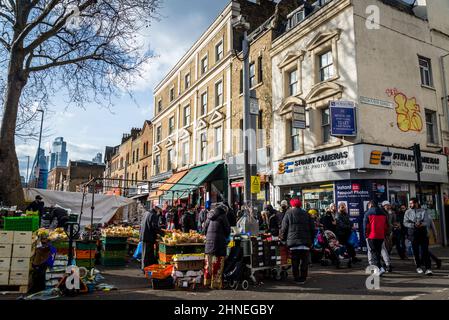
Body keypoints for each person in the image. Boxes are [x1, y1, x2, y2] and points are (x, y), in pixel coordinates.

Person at [280, 198, 315, 285]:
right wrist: (311, 240)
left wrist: (283, 239)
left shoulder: (288, 213)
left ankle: (296, 278)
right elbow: (312, 228)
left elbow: (284, 228)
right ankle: (303, 278)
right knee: (304, 261)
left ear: (292, 205)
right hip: (305, 243)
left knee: (295, 261)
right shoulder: (306, 214)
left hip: (293, 243)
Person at [203, 203, 231, 289]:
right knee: (218, 265)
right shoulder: (223, 216)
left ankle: (206, 282)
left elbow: (204, 229)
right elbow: (227, 230)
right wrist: (226, 237)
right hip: (219, 243)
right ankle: (216, 284)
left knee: (209, 264)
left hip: (208, 243)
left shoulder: (209, 215)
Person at [404, 198, 432, 275]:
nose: (410, 205)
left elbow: (427, 222)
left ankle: (428, 268)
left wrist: (421, 224)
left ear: (416, 203)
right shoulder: (407, 212)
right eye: (410, 203)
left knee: (425, 251)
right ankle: (418, 267)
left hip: (422, 233)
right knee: (415, 251)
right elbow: (405, 223)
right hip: (413, 233)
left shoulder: (423, 211)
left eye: (412, 203)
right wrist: (413, 225)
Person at [364, 200, 389, 276]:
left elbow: (366, 226)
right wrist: (384, 234)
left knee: (373, 252)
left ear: (370, 205)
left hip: (371, 236)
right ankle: (380, 268)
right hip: (381, 236)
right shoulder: (383, 213)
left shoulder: (368, 213)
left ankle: (379, 269)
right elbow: (386, 226)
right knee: (377, 252)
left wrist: (366, 235)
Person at [140, 206, 163, 270]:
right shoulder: (153, 215)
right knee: (148, 254)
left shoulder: (146, 213)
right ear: (157, 209)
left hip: (144, 235)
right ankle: (146, 268)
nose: (160, 212)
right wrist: (162, 234)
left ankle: (145, 268)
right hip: (149, 237)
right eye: (160, 210)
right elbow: (154, 226)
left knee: (145, 253)